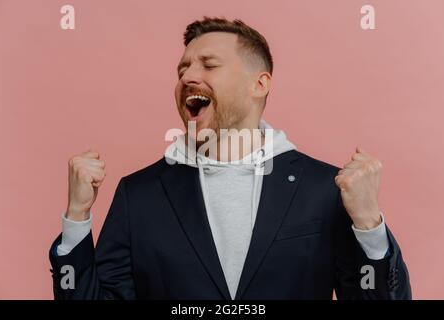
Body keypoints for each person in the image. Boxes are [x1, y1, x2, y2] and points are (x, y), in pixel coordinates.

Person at [49, 17, 411, 300]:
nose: (188, 76)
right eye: (182, 70)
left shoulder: (323, 190)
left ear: (260, 84)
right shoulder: (139, 195)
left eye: (208, 65)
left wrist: (368, 225)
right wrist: (77, 221)